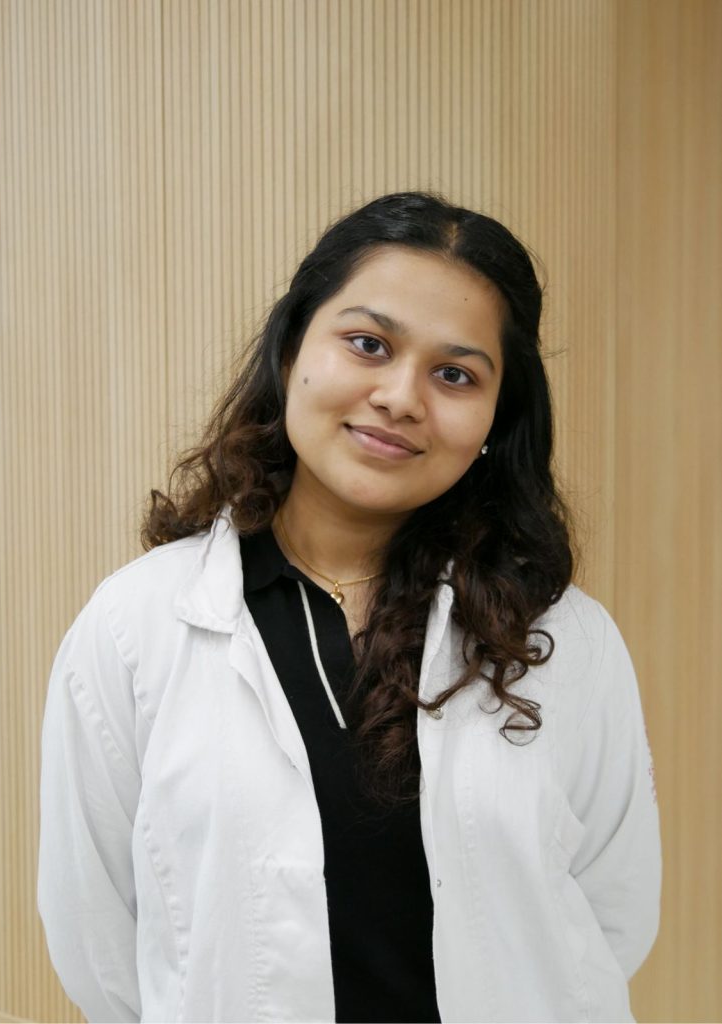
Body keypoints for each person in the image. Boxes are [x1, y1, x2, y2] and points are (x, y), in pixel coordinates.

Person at [37, 190, 661, 1024]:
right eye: (368, 344)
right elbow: (99, 942)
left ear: (495, 417)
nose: (400, 397)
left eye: (454, 374)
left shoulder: (565, 637)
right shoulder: (135, 626)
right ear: (291, 347)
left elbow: (609, 916)